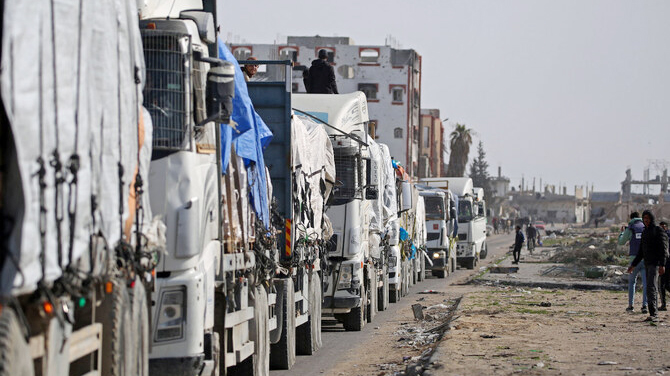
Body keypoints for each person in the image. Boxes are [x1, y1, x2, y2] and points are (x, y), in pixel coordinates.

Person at [627, 210, 669, 322]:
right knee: (650, 287)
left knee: (651, 287)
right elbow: (641, 251)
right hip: (647, 263)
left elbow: (663, 249)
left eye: (648, 218)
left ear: (652, 219)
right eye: (644, 218)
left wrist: (662, 264)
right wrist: (633, 265)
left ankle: (654, 314)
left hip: (655, 264)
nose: (646, 220)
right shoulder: (645, 232)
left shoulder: (658, 230)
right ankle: (653, 313)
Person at [619, 211, 648, 313]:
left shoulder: (631, 227)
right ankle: (645, 306)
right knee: (646, 283)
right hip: (646, 260)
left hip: (633, 261)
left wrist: (622, 232)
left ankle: (631, 306)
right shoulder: (645, 226)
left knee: (632, 283)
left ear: (631, 218)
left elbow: (621, 242)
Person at [659, 221, 670, 311]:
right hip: (665, 263)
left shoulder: (661, 237)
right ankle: (663, 304)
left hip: (665, 263)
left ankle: (664, 305)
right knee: (665, 284)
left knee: (662, 284)